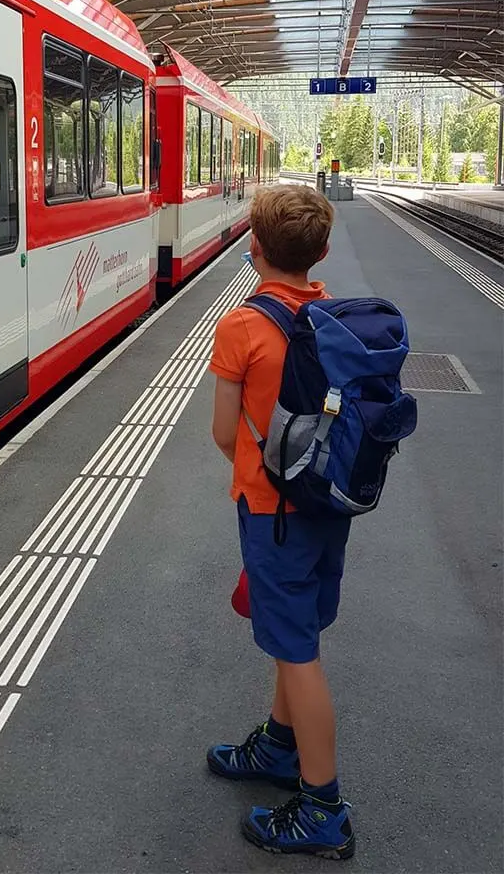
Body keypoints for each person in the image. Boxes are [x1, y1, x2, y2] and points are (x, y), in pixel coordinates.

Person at [207, 184, 355, 861]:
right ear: (321, 252)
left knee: (298, 653)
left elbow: (221, 432)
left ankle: (323, 807)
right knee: (295, 632)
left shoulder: (242, 325)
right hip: (326, 507)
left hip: (270, 512)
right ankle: (277, 744)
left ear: (254, 247)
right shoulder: (331, 314)